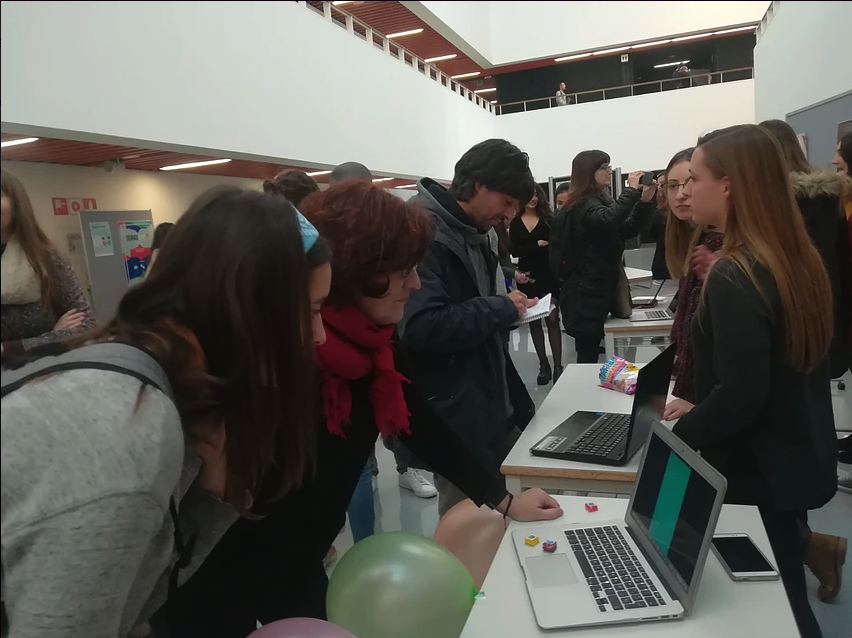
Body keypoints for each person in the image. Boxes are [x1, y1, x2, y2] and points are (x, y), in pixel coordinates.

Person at [155, 182, 562, 638]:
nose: (416, 283)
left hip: (297, 560)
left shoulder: (377, 346)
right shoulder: (282, 355)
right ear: (354, 273)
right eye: (403, 270)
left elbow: (422, 426)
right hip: (215, 574)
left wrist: (504, 500)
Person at [1, 186, 331, 638]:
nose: (319, 336)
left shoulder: (159, 383)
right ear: (246, 306)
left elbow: (129, 609)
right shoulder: (128, 429)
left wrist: (211, 494)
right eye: (311, 311)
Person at [673, 124, 837, 638]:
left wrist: (679, 437)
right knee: (785, 591)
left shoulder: (735, 273)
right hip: (794, 455)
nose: (686, 190)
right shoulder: (796, 258)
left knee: (776, 605)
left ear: (728, 185)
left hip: (755, 467)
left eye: (695, 177)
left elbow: (741, 395)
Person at [399, 138, 539, 516]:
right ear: (478, 185)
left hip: (492, 400)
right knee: (468, 525)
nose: (509, 215)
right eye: (507, 202)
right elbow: (421, 325)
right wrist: (500, 308)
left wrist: (507, 308)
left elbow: (478, 308)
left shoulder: (478, 231)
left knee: (509, 520)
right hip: (454, 412)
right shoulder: (422, 232)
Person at [552, 151, 657, 363]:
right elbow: (610, 218)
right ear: (588, 172)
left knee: (591, 351)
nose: (609, 171)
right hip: (586, 293)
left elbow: (626, 229)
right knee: (588, 353)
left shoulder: (599, 201)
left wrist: (645, 201)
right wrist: (631, 191)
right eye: (603, 167)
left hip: (597, 289)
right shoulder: (583, 204)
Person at [1, 168, 95, 358]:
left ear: (16, 203)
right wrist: (52, 336)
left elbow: (87, 324)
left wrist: (9, 348)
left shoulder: (47, 259)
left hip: (45, 370)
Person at [660, 148, 723, 420]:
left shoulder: (716, 245)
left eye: (691, 182)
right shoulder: (689, 239)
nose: (681, 194)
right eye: (672, 186)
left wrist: (697, 403)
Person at [509, 184, 563, 384]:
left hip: (549, 275)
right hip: (527, 277)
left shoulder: (549, 220)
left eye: (536, 195)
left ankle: (558, 366)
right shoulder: (516, 223)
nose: (533, 199)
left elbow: (556, 246)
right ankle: (543, 365)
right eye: (529, 195)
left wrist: (530, 249)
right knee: (534, 320)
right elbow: (514, 250)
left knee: (552, 318)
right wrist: (537, 245)